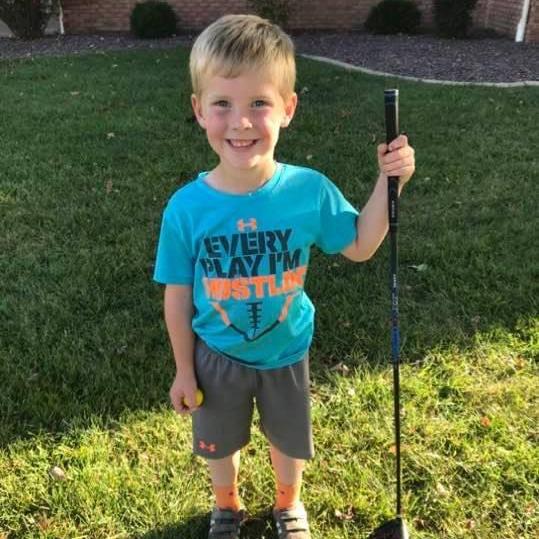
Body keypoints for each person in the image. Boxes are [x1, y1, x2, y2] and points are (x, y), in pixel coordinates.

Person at [153, 13, 415, 539]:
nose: (241, 122)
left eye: (259, 103)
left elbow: (361, 244)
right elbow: (178, 297)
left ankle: (288, 505)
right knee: (219, 444)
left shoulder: (307, 191)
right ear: (198, 110)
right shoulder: (186, 208)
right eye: (222, 104)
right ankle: (226, 506)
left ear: (288, 109)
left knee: (288, 440)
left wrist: (391, 184)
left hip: (287, 351)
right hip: (216, 355)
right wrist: (184, 369)